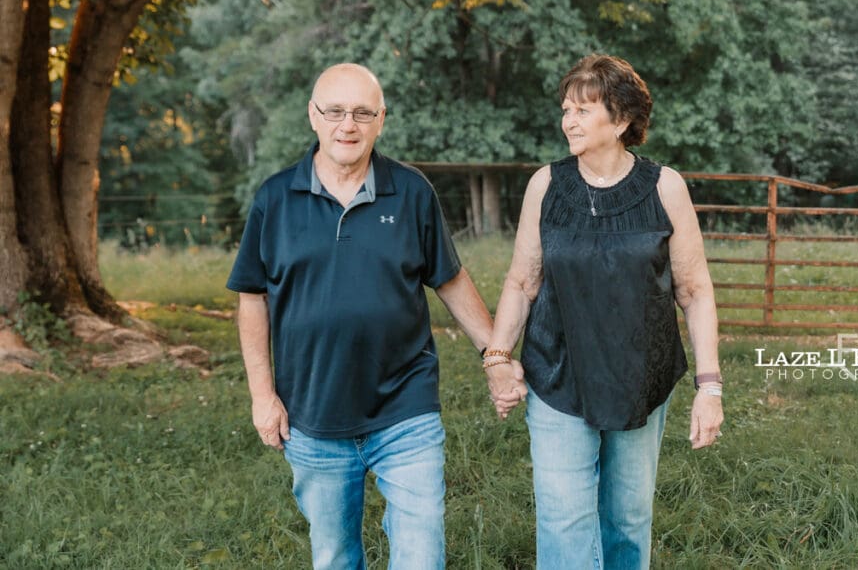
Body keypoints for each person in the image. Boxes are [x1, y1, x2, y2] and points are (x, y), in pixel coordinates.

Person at [226, 63, 525, 569]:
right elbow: (252, 298)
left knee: (421, 555)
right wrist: (263, 396)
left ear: (381, 120)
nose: (349, 125)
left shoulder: (411, 192)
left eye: (363, 112)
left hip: (405, 409)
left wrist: (495, 355)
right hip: (312, 415)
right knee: (337, 557)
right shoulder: (274, 199)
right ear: (313, 117)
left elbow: (448, 278)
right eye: (336, 111)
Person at [487, 54, 724, 569]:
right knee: (563, 520)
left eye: (583, 110)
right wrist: (498, 356)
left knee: (626, 521)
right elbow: (522, 282)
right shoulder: (546, 186)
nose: (568, 120)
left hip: (640, 376)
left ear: (621, 121)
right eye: (566, 109)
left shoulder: (665, 188)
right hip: (558, 374)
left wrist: (710, 387)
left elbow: (696, 291)